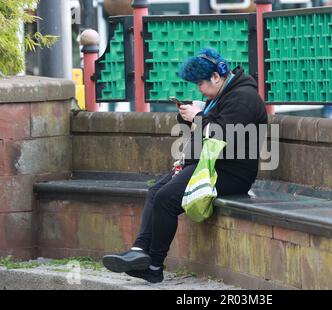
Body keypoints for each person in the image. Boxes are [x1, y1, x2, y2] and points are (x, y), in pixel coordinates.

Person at [102, 47, 268, 283]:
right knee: (155, 191)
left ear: (216, 76)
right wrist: (193, 113)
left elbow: (221, 133)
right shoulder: (224, 94)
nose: (199, 88)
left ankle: (154, 266)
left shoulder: (244, 97)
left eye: (201, 83)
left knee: (166, 198)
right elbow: (213, 124)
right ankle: (139, 252)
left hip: (231, 173)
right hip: (210, 165)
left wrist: (197, 117)